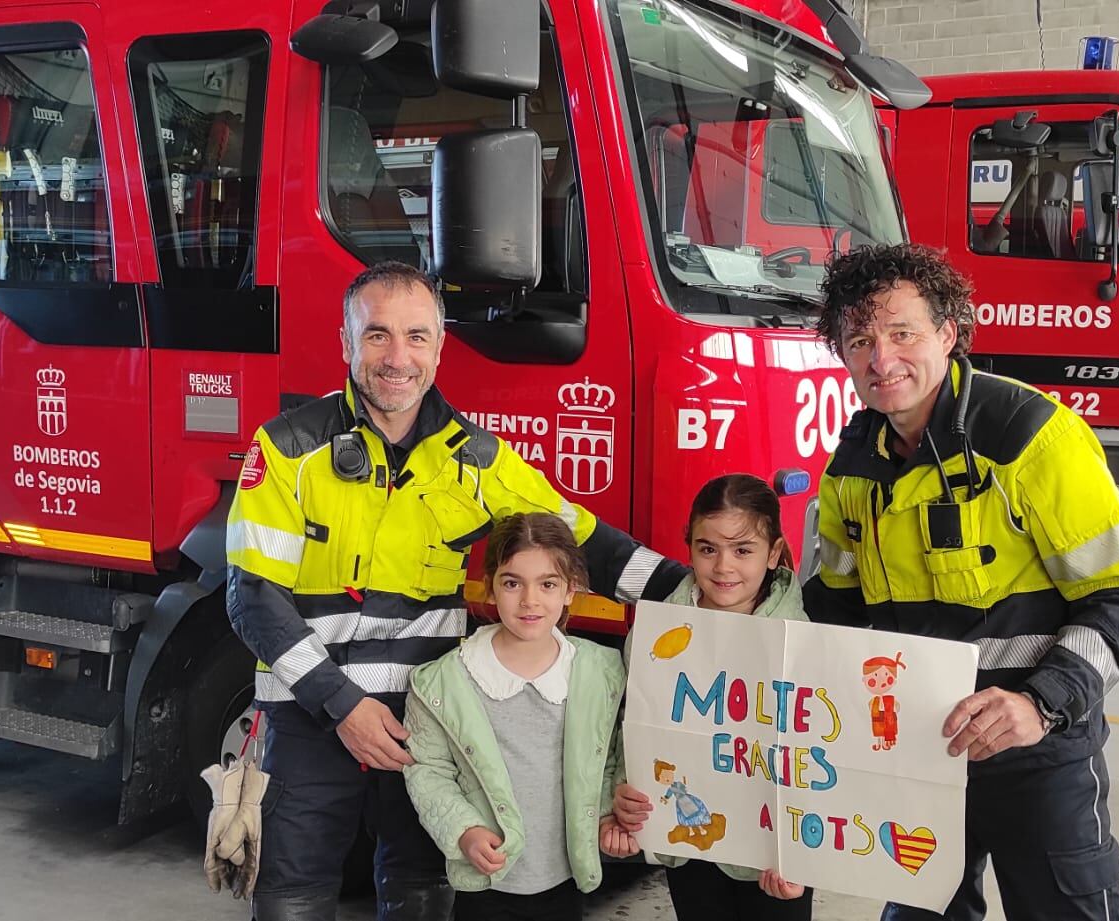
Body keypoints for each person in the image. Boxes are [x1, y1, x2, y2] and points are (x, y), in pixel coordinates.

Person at [225, 262, 688, 921]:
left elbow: (581, 538)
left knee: (422, 892)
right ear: (345, 342)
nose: (397, 357)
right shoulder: (287, 449)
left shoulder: (473, 458)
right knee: (293, 898)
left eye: (417, 337)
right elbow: (252, 598)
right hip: (313, 720)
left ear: (439, 347)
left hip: (429, 723)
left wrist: (701, 593)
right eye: (377, 335)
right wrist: (342, 706)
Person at [800, 243, 1119, 921]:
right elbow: (836, 614)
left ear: (947, 331)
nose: (882, 360)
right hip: (918, 753)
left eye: (902, 333)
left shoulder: (1033, 438)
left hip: (1039, 753)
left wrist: (1041, 705)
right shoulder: (851, 466)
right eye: (860, 340)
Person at [400, 513, 638, 921]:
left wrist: (607, 816)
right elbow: (428, 769)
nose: (530, 600)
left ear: (571, 589)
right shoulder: (443, 683)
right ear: (490, 586)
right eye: (513, 583)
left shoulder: (601, 672)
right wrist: (464, 830)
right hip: (488, 884)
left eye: (548, 584)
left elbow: (609, 759)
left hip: (567, 878)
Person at [607, 474, 814, 921]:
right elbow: (633, 721)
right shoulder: (655, 634)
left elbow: (826, 760)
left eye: (743, 550)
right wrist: (621, 787)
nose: (723, 568)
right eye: (708, 549)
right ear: (689, 547)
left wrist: (810, 853)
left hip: (775, 856)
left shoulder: (808, 643)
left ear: (774, 552)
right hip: (688, 845)